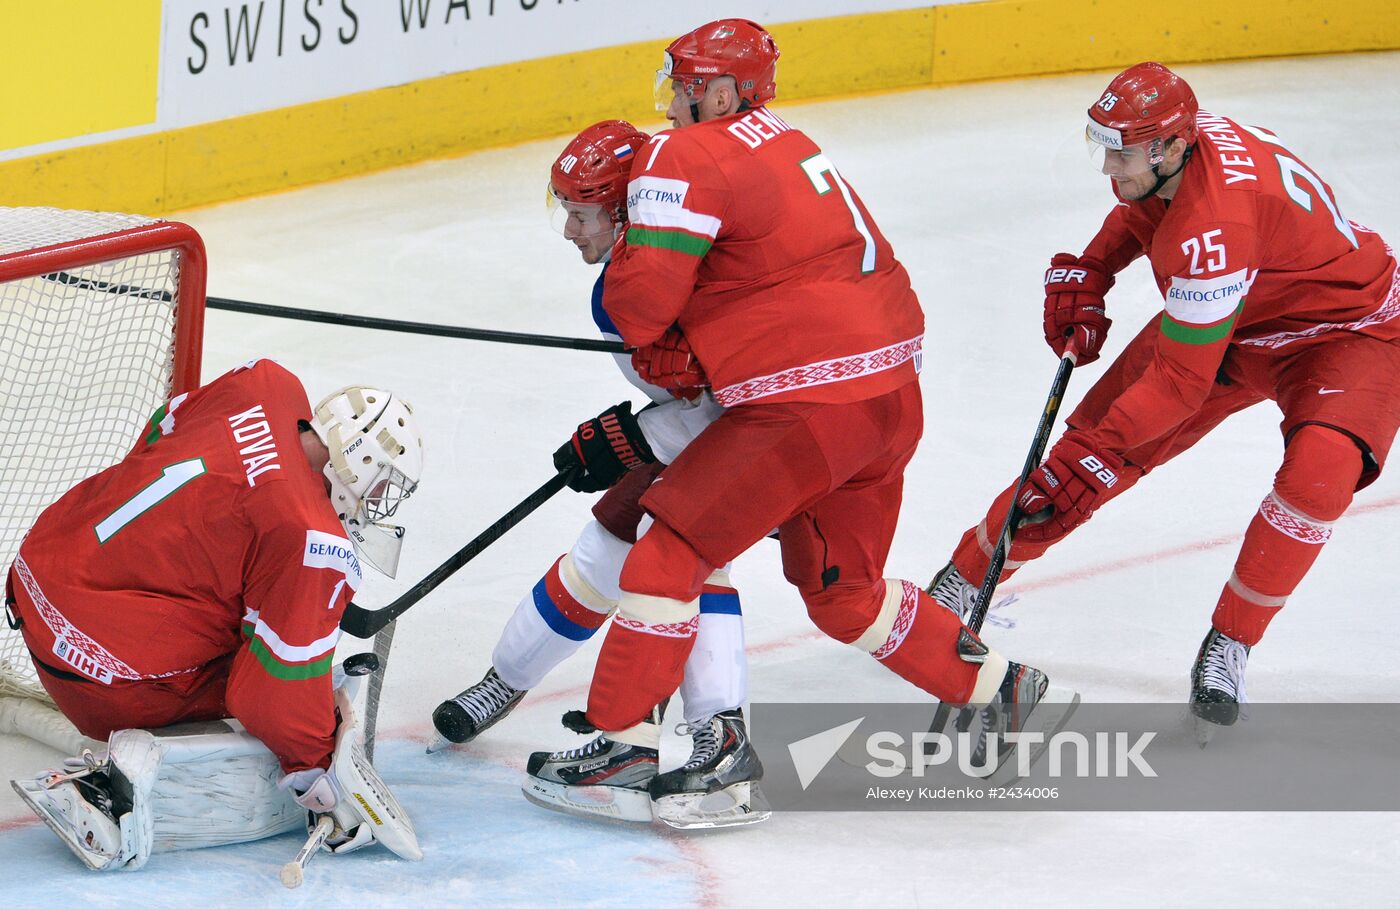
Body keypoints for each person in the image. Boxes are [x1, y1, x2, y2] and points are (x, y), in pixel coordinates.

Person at [524, 18, 1076, 815]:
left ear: (719, 91)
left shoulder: (686, 153)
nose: (671, 107)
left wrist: (670, 344)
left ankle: (625, 748)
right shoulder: (785, 138)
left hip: (805, 407)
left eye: (682, 89)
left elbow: (641, 308)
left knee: (665, 554)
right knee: (844, 590)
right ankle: (1000, 687)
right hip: (889, 398)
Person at [926, 62, 1400, 730]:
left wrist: (1095, 451)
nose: (1107, 168)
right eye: (1105, 146)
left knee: (1318, 477)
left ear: (1171, 147)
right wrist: (1094, 267)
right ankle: (965, 577)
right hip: (1237, 315)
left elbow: (1179, 385)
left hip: (1346, 331)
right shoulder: (1179, 148)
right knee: (1075, 470)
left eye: (1120, 153)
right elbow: (1141, 207)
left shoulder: (1216, 229)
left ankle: (1231, 640)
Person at [433, 120, 765, 829]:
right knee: (610, 540)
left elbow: (723, 409)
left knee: (690, 557)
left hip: (768, 438)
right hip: (721, 434)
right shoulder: (635, 278)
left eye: (581, 215)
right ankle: (507, 679)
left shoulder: (688, 279)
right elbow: (691, 402)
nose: (568, 233)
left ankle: (719, 735)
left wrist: (632, 433)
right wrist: (636, 432)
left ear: (624, 214)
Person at [5, 358, 425, 869]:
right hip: (99, 678)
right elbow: (269, 696)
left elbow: (161, 430)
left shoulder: (263, 385)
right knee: (263, 694)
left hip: (42, 562)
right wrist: (320, 770)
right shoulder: (312, 539)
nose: (378, 501)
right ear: (357, 461)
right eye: (382, 484)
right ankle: (112, 790)